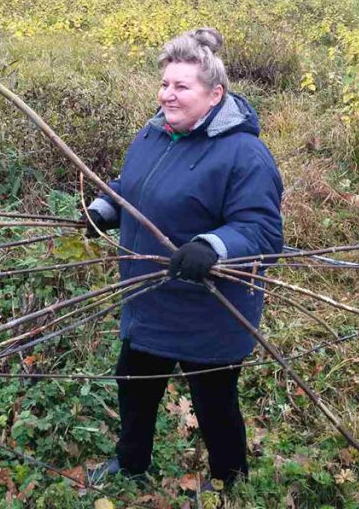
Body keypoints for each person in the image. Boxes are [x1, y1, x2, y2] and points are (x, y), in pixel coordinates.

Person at [83, 27, 284, 490]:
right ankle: (131, 464)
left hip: (208, 311)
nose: (167, 96)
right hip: (148, 299)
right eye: (165, 84)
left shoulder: (243, 154)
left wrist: (212, 246)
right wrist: (104, 208)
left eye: (181, 87)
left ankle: (230, 481)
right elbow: (131, 185)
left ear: (215, 94)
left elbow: (263, 232)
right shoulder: (155, 133)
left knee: (214, 402)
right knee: (134, 388)